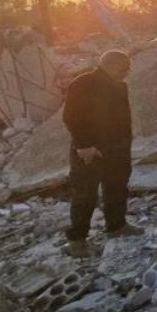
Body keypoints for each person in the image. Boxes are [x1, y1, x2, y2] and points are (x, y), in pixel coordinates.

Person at [62, 50, 142, 258]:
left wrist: (125, 143)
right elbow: (72, 116)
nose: (126, 72)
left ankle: (117, 227)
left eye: (128, 68)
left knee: (117, 188)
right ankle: (77, 241)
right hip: (91, 150)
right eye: (122, 68)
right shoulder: (84, 83)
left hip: (117, 149)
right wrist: (83, 145)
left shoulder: (118, 86)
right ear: (107, 65)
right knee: (85, 194)